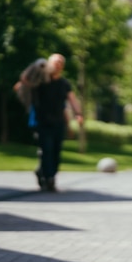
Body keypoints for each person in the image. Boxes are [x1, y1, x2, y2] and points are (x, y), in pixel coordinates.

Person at [15, 54, 84, 192]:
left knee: (56, 152)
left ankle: (44, 173)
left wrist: (78, 114)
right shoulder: (40, 81)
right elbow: (21, 84)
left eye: (60, 63)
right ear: (49, 63)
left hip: (58, 123)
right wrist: (33, 69)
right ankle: (49, 179)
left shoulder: (64, 83)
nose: (57, 65)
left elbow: (72, 100)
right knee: (47, 149)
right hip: (41, 122)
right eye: (55, 62)